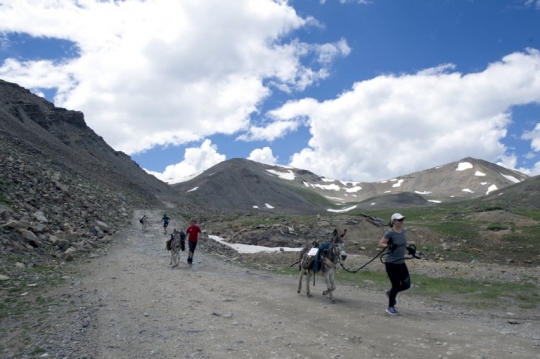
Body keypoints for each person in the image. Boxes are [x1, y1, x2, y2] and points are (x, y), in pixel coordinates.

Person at [378, 213, 411, 315]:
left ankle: (390, 292)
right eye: (399, 220)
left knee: (406, 284)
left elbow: (403, 243)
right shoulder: (390, 233)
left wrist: (409, 249)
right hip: (391, 263)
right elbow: (380, 244)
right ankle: (390, 307)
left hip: (401, 262)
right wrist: (389, 246)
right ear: (393, 222)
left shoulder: (403, 231)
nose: (401, 221)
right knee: (396, 285)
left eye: (402, 219)